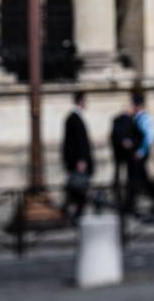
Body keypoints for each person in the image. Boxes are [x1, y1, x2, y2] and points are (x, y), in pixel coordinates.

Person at [111, 92, 154, 215]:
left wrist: (141, 151)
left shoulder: (143, 118)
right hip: (133, 155)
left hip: (138, 155)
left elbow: (148, 137)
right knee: (139, 179)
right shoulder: (133, 118)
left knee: (139, 180)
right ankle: (132, 203)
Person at [62, 91, 93, 223]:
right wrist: (80, 160)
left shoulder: (74, 117)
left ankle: (71, 212)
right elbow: (76, 142)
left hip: (77, 160)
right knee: (79, 188)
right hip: (78, 161)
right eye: (85, 101)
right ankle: (75, 215)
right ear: (80, 101)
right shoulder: (74, 118)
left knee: (76, 189)